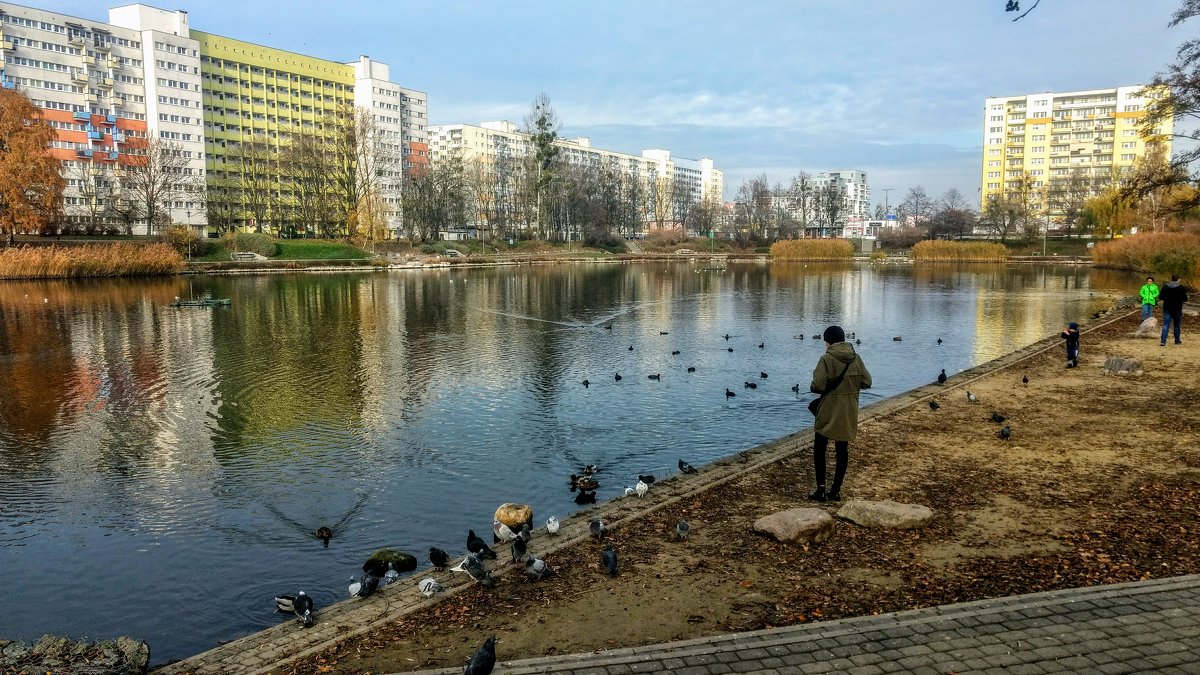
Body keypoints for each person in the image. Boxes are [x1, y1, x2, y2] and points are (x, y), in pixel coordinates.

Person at [807, 325, 872, 502]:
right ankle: (835, 490)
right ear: (843, 339)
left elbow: (818, 386)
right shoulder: (855, 358)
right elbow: (867, 382)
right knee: (842, 450)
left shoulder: (826, 359)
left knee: (820, 448)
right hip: (848, 411)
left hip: (828, 410)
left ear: (828, 342)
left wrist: (816, 385)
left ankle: (820, 490)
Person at [1160, 274, 1189, 346]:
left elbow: (1161, 297)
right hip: (1177, 308)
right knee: (1176, 325)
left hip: (1167, 308)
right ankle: (1177, 340)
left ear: (1171, 279)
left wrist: (1167, 298)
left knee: (1166, 324)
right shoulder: (1181, 288)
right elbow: (1185, 299)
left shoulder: (1165, 286)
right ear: (1178, 279)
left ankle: (1163, 341)